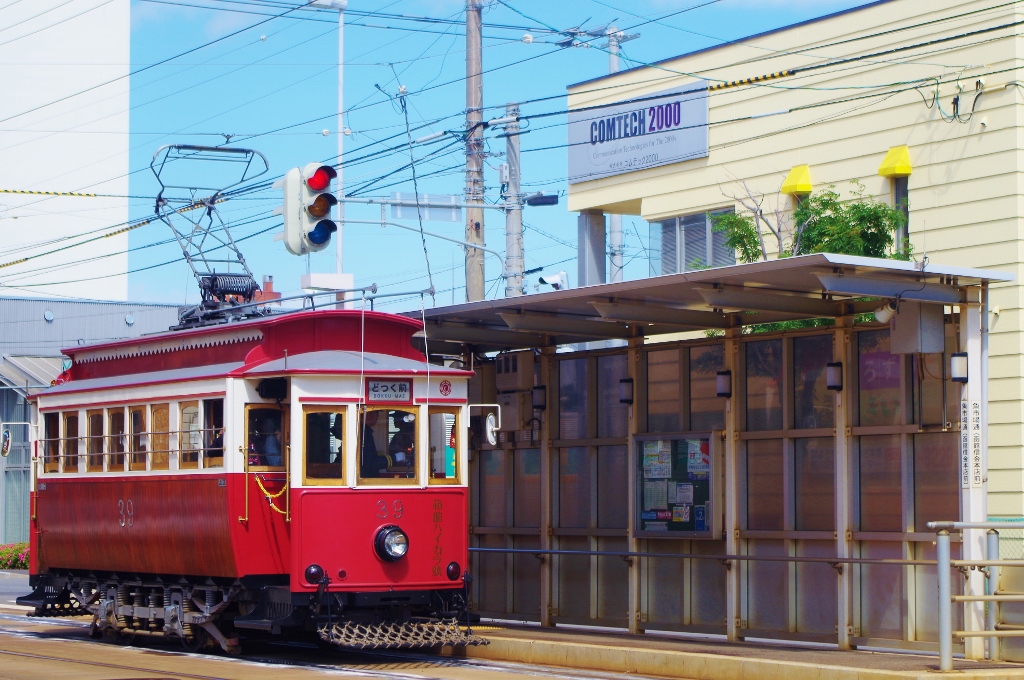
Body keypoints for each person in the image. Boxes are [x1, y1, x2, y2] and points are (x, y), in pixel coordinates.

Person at [360, 411, 388, 478]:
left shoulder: (363, 430)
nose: (378, 416)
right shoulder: (364, 433)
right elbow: (371, 463)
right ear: (368, 413)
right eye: (377, 413)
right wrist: (394, 458)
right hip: (365, 479)